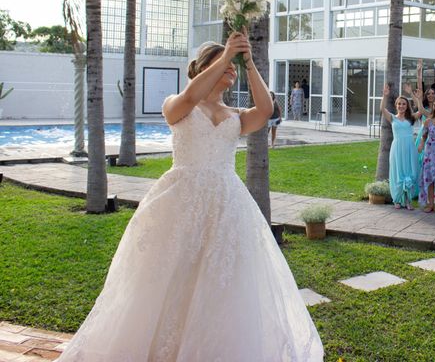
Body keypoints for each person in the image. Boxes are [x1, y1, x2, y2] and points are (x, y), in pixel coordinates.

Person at [57, 34, 323, 361]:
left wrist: (248, 62)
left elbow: (266, 109)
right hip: (180, 202)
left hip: (227, 206)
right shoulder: (178, 104)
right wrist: (226, 55)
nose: (231, 71)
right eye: (224, 65)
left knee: (219, 283)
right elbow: (191, 96)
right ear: (204, 67)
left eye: (233, 67)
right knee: (169, 277)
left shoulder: (235, 115)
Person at [381, 83, 419, 209]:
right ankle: (397, 199)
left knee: (409, 171)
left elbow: (421, 109)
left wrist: (411, 94)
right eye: (399, 104)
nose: (401, 106)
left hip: (409, 148)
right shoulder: (392, 118)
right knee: (397, 172)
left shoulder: (411, 118)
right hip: (397, 148)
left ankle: (408, 200)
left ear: (407, 106)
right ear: (396, 106)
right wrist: (385, 96)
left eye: (403, 104)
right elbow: (382, 109)